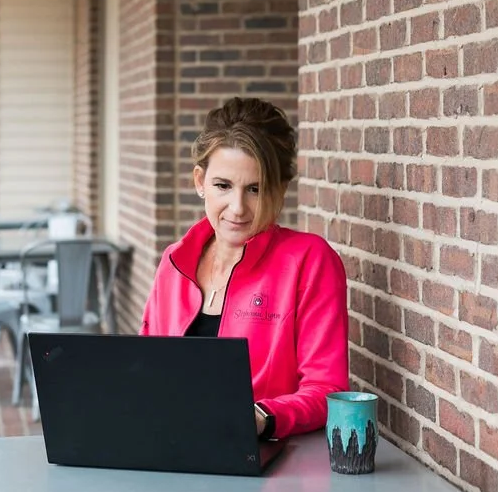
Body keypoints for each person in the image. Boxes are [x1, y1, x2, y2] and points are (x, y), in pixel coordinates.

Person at [139, 97, 349, 440]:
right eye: (223, 186)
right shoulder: (174, 262)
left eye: (255, 189)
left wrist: (262, 416)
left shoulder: (310, 261)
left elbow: (327, 389)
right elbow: (145, 366)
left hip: (264, 464)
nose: (238, 208)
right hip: (170, 450)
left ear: (279, 191)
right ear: (199, 182)